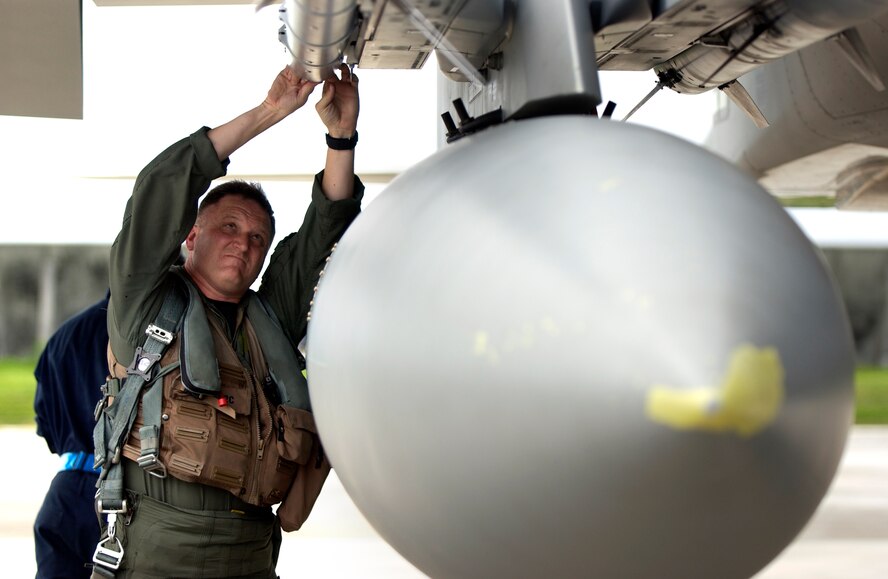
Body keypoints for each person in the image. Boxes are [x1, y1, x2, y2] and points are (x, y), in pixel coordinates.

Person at [91, 63, 362, 578]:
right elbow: (160, 188)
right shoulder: (144, 303)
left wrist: (341, 135)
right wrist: (270, 112)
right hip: (157, 553)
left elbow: (321, 237)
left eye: (258, 238)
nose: (244, 242)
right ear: (191, 237)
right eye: (229, 227)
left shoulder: (266, 328)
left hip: (252, 553)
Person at [33, 292, 109, 578]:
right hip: (126, 499)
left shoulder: (66, 333)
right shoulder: (159, 335)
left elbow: (44, 422)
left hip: (66, 492)